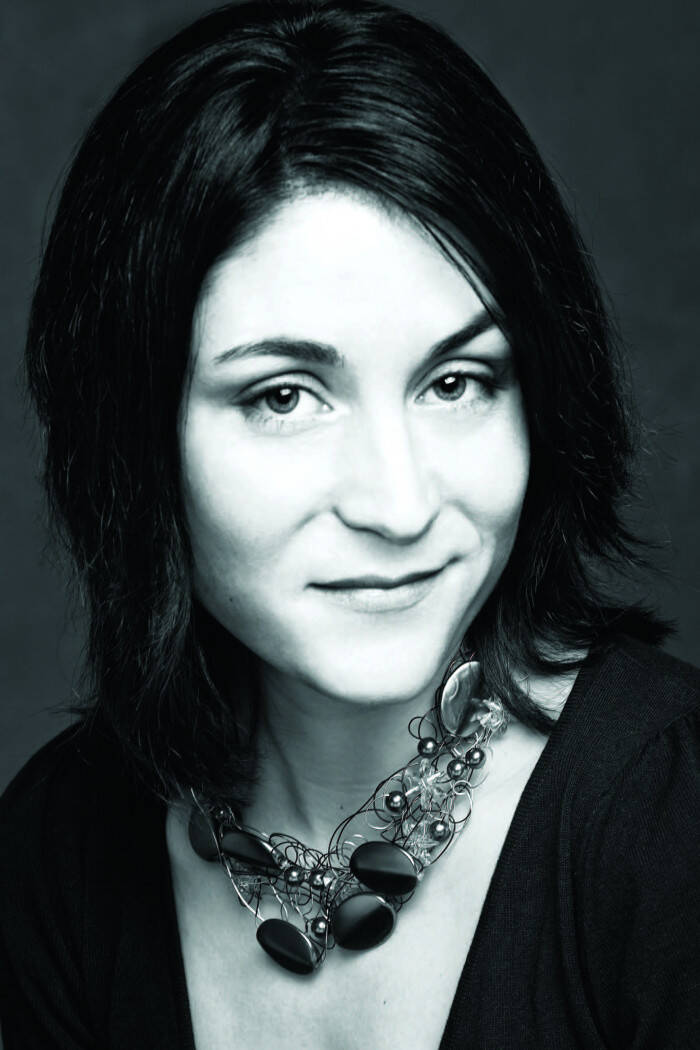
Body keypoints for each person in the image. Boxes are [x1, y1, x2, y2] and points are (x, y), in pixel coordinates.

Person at [1, 0, 698, 1046]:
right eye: (285, 396)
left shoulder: (671, 821)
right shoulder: (60, 851)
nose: (399, 505)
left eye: (457, 382)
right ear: (132, 437)